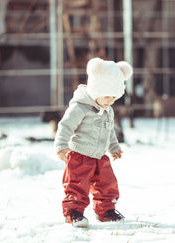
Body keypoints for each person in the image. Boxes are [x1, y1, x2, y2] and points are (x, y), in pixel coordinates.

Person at [54, 57, 133, 228]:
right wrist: (61, 146)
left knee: (107, 184)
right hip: (79, 156)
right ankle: (73, 212)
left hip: (100, 156)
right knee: (77, 185)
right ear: (96, 90)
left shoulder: (107, 109)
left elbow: (109, 131)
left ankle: (106, 210)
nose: (110, 101)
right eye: (107, 96)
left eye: (114, 97)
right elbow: (65, 126)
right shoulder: (80, 107)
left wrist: (114, 147)